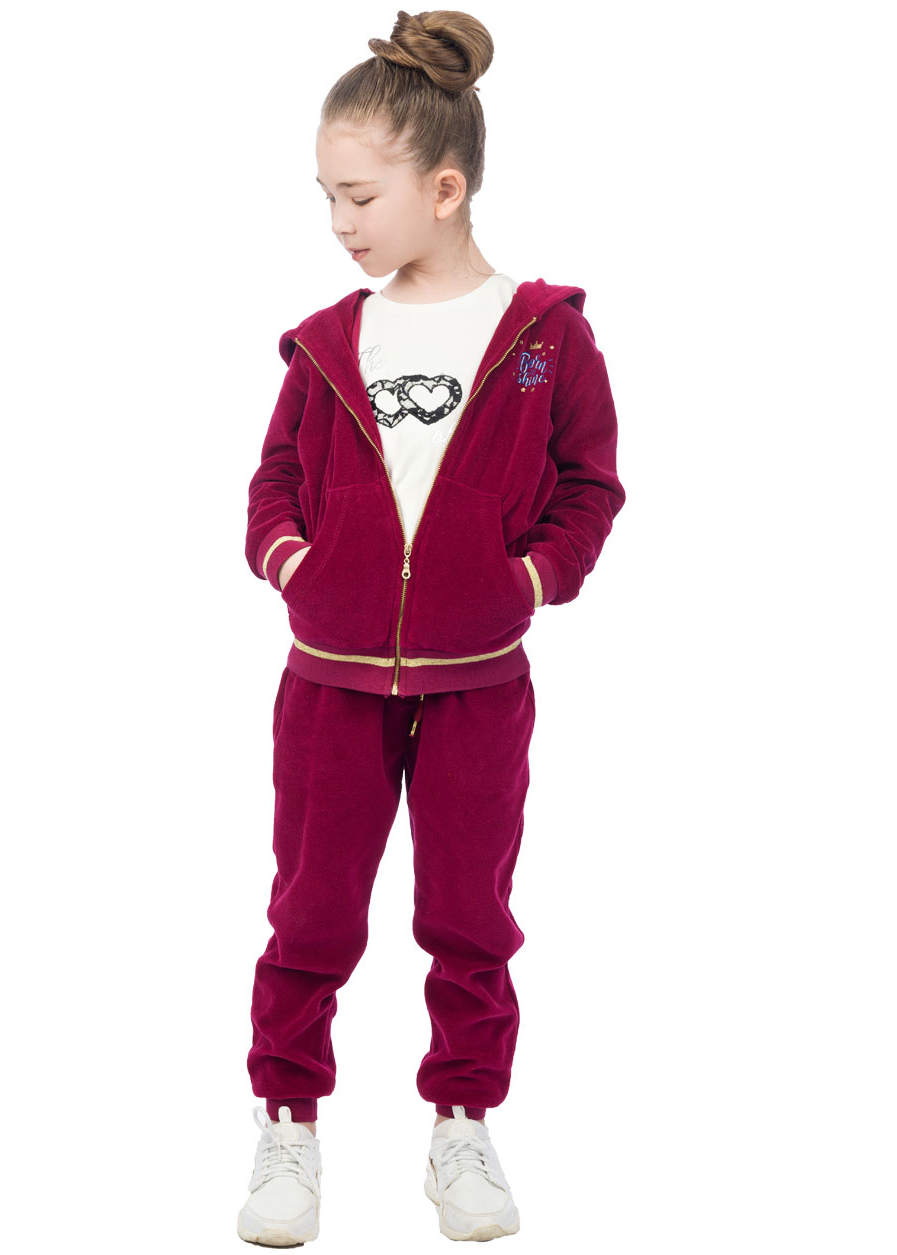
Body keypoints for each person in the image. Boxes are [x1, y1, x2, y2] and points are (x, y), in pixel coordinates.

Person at [237, 9, 626, 1246]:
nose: (338, 221)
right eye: (325, 196)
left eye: (358, 195)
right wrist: (295, 564)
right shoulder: (327, 343)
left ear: (445, 188)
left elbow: (590, 485)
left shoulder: (544, 339)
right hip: (330, 682)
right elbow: (271, 486)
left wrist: (532, 580)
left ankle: (462, 1123)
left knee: (469, 916)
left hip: (478, 685)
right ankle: (288, 1124)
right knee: (310, 912)